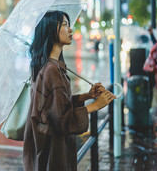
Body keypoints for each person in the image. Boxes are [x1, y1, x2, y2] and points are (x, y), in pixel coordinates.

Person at [23, 11, 116, 171]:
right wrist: (94, 106)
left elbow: (56, 105)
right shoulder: (51, 70)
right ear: (52, 30)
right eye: (65, 25)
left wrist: (87, 96)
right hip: (55, 152)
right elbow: (62, 119)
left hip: (52, 149)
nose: (71, 29)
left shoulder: (49, 66)